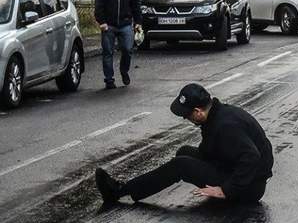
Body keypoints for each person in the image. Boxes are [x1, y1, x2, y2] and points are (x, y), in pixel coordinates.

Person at [95, 83, 274, 205]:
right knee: (184, 152)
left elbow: (252, 157)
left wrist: (226, 190)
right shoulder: (216, 115)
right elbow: (214, 149)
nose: (185, 118)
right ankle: (137, 187)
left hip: (250, 188)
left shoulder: (226, 125)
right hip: (236, 171)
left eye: (186, 115)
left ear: (198, 111)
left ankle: (118, 191)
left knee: (181, 165)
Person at [94, 0, 142, 89]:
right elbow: (99, 5)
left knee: (127, 49)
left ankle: (124, 70)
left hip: (126, 23)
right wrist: (102, 22)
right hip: (108, 24)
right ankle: (109, 80)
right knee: (108, 52)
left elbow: (135, 5)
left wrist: (138, 22)